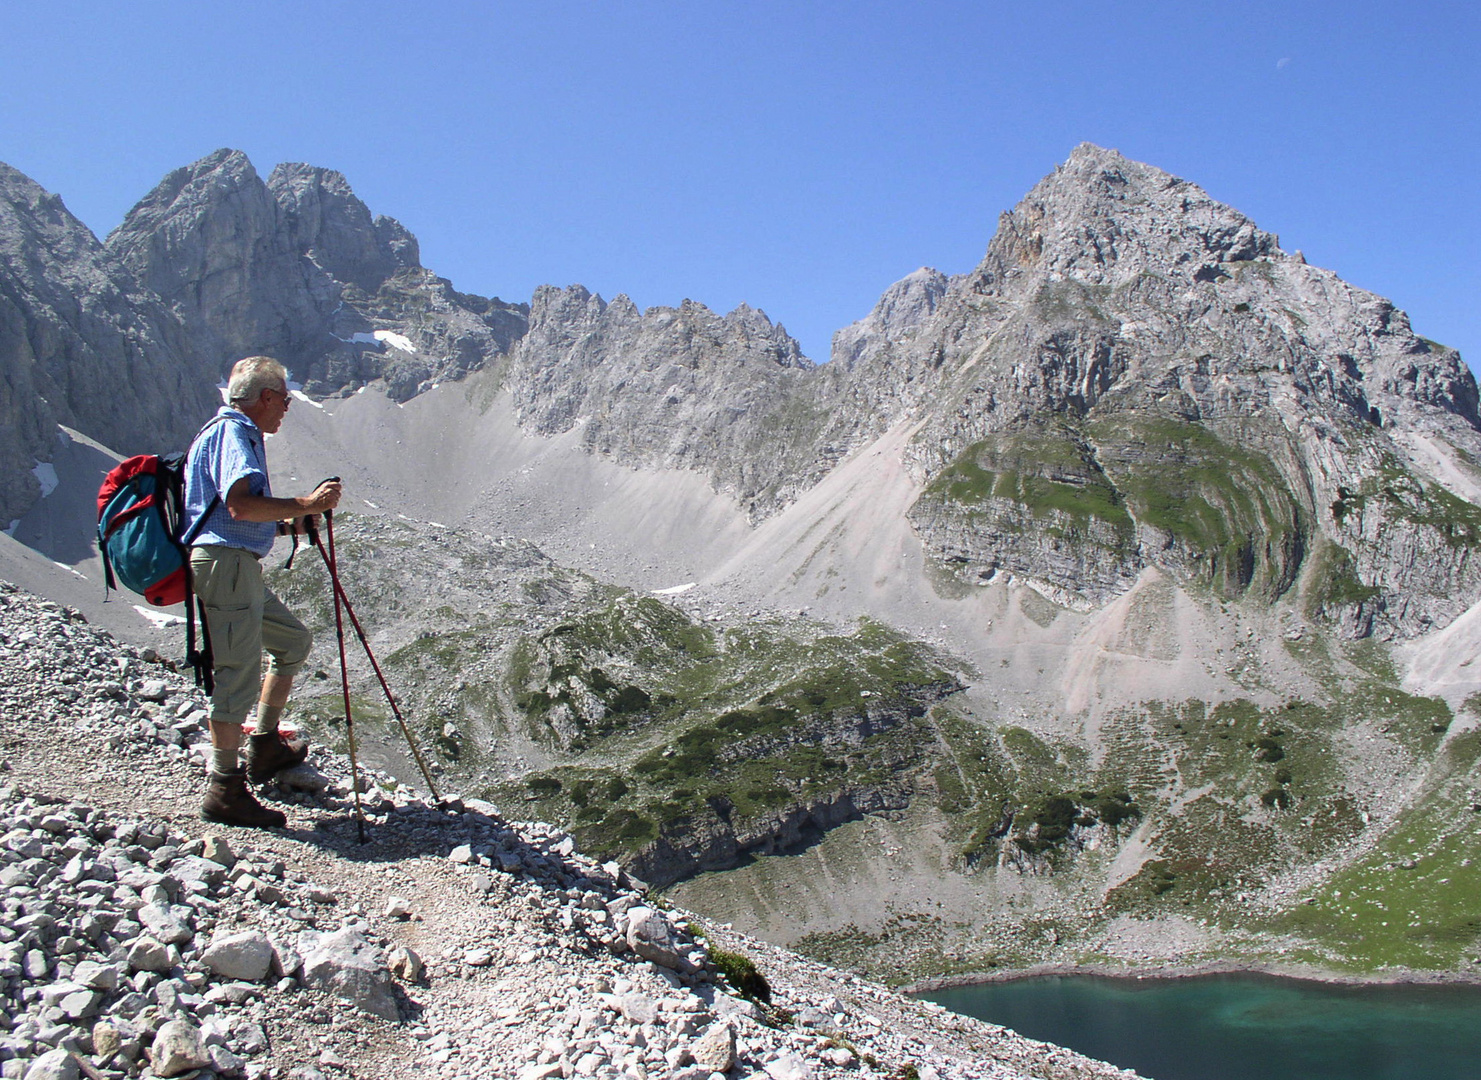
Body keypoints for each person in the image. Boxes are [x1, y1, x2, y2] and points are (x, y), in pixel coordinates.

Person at [183, 356, 342, 828]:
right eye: (285, 401)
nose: (287, 410)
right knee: (236, 674)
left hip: (236, 563)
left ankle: (265, 746)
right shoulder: (233, 433)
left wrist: (294, 522)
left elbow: (238, 513)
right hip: (226, 564)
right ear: (267, 397)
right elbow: (239, 506)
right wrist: (306, 504)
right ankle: (224, 788)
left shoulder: (234, 433)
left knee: (292, 641)